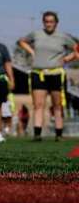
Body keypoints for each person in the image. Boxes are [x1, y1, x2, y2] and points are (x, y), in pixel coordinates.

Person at [18, 11, 79, 141]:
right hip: (38, 73)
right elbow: (22, 42)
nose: (49, 24)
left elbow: (77, 49)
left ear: (56, 23)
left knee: (57, 105)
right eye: (46, 21)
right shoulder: (36, 34)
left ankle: (59, 134)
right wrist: (32, 51)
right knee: (39, 105)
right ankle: (37, 134)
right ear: (43, 22)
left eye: (51, 21)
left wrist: (67, 59)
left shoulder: (63, 37)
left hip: (55, 73)